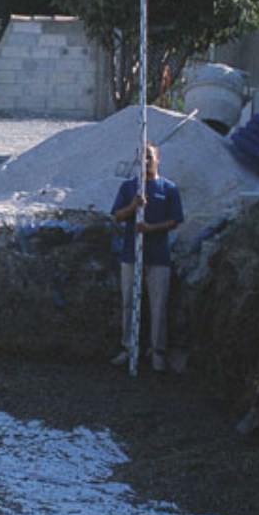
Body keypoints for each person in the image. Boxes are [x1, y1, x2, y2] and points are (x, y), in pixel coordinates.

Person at [109, 141, 182, 372]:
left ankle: (157, 351)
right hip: (131, 255)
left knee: (158, 305)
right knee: (129, 302)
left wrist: (151, 229)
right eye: (142, 157)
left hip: (158, 257)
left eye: (150, 157)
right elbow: (116, 216)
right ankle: (129, 348)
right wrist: (133, 207)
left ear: (158, 159)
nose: (146, 161)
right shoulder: (129, 188)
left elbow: (175, 220)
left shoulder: (168, 189)